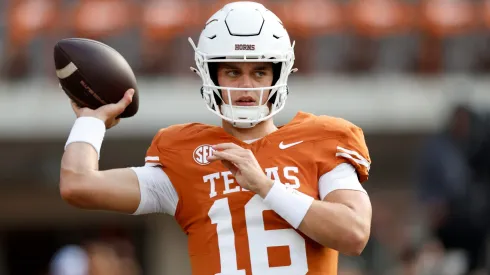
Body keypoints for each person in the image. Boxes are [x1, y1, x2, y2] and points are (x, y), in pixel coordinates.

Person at [59, 2, 372, 274]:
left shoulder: (322, 140)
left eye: (260, 72)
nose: (246, 86)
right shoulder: (187, 154)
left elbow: (354, 233)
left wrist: (265, 186)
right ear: (211, 75)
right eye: (233, 72)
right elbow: (78, 185)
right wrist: (91, 121)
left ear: (279, 75)